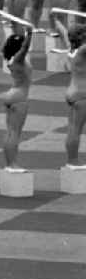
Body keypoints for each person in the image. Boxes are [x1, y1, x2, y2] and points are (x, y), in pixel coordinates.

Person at [54, 18, 86, 169]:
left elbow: (63, 30)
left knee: (72, 129)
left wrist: (55, 18)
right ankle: (73, 161)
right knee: (76, 130)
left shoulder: (71, 48)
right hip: (81, 94)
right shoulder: (82, 50)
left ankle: (71, 160)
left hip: (72, 91)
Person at [2, 24, 34, 171]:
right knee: (15, 133)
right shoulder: (18, 59)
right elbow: (25, 48)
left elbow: (23, 49)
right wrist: (30, 33)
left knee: (10, 132)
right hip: (19, 97)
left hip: (11, 94)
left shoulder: (11, 59)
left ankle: (10, 164)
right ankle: (12, 164)